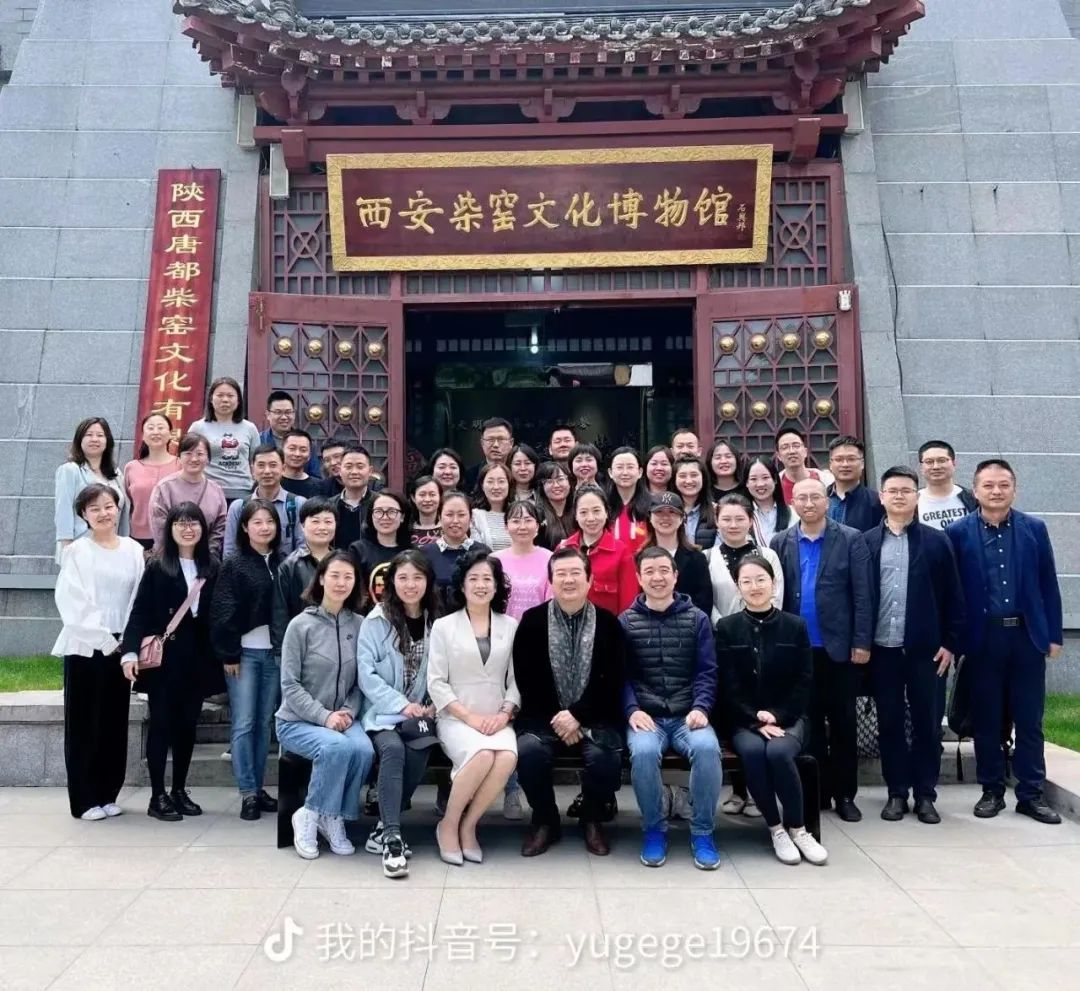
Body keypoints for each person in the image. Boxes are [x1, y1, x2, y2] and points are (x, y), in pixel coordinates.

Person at [946, 459, 1064, 824]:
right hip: (983, 639)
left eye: (1003, 485)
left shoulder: (1034, 529)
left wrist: (1054, 634)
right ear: (975, 490)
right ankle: (991, 791)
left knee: (1030, 720)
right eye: (988, 485)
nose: (996, 491)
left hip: (1027, 637)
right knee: (987, 719)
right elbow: (952, 592)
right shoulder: (957, 532)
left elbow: (1048, 583)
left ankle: (1031, 794)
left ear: (1014, 488)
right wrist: (955, 639)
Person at [770, 478, 873, 822]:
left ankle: (845, 795)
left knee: (843, 724)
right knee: (807, 725)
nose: (809, 503)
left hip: (839, 649)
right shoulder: (781, 541)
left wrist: (861, 642)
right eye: (802, 498)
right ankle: (816, 793)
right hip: (798, 651)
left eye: (815, 496)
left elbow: (863, 594)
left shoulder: (851, 538)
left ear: (827, 501)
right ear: (793, 503)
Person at [867, 467, 965, 825]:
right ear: (882, 497)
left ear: (916, 496)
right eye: (892, 490)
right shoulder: (866, 542)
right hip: (883, 651)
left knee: (927, 725)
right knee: (890, 723)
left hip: (928, 652)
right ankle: (896, 793)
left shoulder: (937, 542)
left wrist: (950, 643)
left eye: (906, 490)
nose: (899, 496)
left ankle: (925, 795)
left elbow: (954, 596)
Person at [514, 546, 626, 857]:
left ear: (590, 580)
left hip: (596, 715)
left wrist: (577, 715)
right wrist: (560, 716)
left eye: (576, 573)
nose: (568, 580)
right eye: (561, 574)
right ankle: (545, 819)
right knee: (529, 752)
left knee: (606, 755)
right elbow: (526, 678)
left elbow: (613, 680)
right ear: (550, 581)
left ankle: (592, 817)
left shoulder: (609, 623)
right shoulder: (532, 621)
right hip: (544, 715)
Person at [715, 554, 827, 866]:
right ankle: (776, 828)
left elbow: (803, 680)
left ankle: (799, 828)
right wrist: (755, 719)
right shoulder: (727, 628)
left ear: (773, 583)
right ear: (738, 587)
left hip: (789, 717)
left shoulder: (795, 626)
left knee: (778, 752)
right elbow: (728, 684)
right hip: (744, 720)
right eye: (746, 581)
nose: (754, 587)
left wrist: (778, 715)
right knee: (753, 752)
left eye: (760, 579)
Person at [621, 546, 722, 870]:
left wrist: (702, 707)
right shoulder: (626, 621)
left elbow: (707, 671)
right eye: (649, 571)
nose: (657, 577)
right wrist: (632, 709)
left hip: (686, 714)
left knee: (707, 749)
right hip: (646, 716)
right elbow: (621, 675)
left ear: (675, 576)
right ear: (639, 578)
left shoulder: (697, 619)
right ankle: (654, 828)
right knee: (643, 753)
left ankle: (703, 831)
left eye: (664, 570)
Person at [119, 503, 221, 821]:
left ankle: (178, 790)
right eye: (181, 523)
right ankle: (157, 795)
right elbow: (139, 611)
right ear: (170, 528)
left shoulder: (212, 566)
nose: (188, 529)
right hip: (164, 660)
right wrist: (130, 652)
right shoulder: (158, 565)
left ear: (203, 529)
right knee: (161, 725)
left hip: (197, 659)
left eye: (194, 523)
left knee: (187, 727)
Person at [51, 484, 145, 820]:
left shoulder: (133, 550)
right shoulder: (77, 551)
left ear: (118, 508)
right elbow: (71, 601)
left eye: (108, 506)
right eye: (94, 509)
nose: (104, 513)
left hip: (122, 647)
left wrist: (127, 643)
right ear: (83, 515)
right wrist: (106, 640)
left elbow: (138, 598)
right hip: (86, 646)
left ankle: (107, 793)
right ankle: (84, 799)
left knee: (113, 721)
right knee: (84, 723)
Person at [276, 552, 373, 860]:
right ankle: (309, 814)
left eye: (348, 576)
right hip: (297, 722)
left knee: (364, 750)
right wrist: (324, 716)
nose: (341, 582)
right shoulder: (300, 626)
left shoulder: (360, 625)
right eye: (335, 575)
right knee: (336, 747)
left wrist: (348, 712)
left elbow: (362, 681)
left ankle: (333, 816)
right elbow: (290, 684)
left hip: (343, 717)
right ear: (320, 579)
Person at [428, 548, 520, 865]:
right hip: (456, 717)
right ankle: (448, 825)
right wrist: (468, 717)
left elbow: (517, 680)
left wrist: (505, 713)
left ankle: (468, 826)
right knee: (481, 755)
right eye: (474, 578)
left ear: (496, 586)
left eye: (487, 579)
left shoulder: (510, 625)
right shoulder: (444, 626)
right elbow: (436, 682)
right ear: (462, 584)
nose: (481, 585)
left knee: (506, 756)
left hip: (497, 717)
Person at [356, 550, 441, 877]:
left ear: (428, 582)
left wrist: (432, 704)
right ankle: (392, 835)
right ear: (391, 582)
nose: (410, 584)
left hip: (422, 713)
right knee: (392, 749)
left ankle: (381, 827)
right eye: (403, 578)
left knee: (419, 749)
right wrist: (402, 706)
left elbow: (444, 670)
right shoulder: (375, 621)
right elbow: (366, 675)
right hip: (383, 713)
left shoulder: (438, 621)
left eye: (418, 577)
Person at [707, 493, 784, 818]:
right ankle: (739, 790)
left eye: (740, 518)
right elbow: (708, 600)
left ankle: (759, 792)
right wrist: (726, 627)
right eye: (726, 519)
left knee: (761, 711)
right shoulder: (709, 556)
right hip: (724, 641)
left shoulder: (767, 555)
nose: (733, 524)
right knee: (733, 712)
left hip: (763, 642)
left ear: (751, 520)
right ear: (717, 521)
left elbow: (776, 594)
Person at [210, 499, 283, 821]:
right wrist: (229, 653)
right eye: (257, 522)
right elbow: (222, 611)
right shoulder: (235, 564)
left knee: (264, 723)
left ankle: (258, 786)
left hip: (274, 654)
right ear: (244, 527)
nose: (264, 527)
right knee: (244, 722)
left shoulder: (283, 562)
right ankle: (247, 792)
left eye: (270, 521)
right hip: (244, 654)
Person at [54, 417, 130, 562]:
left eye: (100, 435)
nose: (94, 439)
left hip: (111, 547)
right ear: (79, 440)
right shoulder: (70, 470)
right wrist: (66, 549)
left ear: (107, 441)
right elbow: (63, 511)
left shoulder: (115, 474)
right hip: (81, 548)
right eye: (89, 435)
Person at [271, 497, 338, 658]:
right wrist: (282, 653)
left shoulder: (343, 562)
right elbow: (279, 613)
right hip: (303, 646)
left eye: (328, 522)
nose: (322, 527)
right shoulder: (290, 565)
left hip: (338, 643)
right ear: (302, 526)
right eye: (315, 521)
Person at [557, 484, 637, 616]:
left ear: (606, 512)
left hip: (607, 627)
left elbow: (628, 605)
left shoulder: (621, 552)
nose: (591, 518)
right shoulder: (563, 549)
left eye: (596, 511)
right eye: (583, 512)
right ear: (575, 515)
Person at [149, 432, 229, 557]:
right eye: (188, 453)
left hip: (205, 559)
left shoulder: (216, 491)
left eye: (200, 454)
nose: (194, 459)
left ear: (208, 458)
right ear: (179, 457)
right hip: (170, 558)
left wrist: (207, 554)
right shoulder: (164, 488)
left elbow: (219, 528)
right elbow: (159, 529)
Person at [222, 444, 306, 558]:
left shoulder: (297, 504)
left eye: (273, 465)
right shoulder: (238, 507)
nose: (267, 471)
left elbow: (304, 549)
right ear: (252, 470)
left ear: (283, 469)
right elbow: (230, 552)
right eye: (261, 465)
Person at [188, 377, 262, 502]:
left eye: (230, 396)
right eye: (220, 395)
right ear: (211, 399)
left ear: (238, 400)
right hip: (207, 492)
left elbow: (256, 461)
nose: (225, 400)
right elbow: (188, 459)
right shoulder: (198, 427)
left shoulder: (250, 428)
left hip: (243, 492)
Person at [643, 492, 712, 617]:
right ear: (650, 517)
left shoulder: (697, 558)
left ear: (681, 519)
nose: (665, 517)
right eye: (659, 512)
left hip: (689, 625)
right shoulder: (639, 557)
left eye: (672, 512)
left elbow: (704, 602)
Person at [123, 412, 180, 552]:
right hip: (138, 537)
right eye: (150, 428)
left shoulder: (180, 465)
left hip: (174, 536)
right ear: (143, 435)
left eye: (161, 427)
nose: (156, 432)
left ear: (170, 434)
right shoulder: (131, 467)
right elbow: (127, 504)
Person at [421, 491, 489, 604]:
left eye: (461, 515)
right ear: (439, 517)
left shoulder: (483, 553)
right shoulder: (426, 553)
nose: (455, 521)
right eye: (449, 515)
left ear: (471, 518)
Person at [350, 490, 412, 605]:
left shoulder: (412, 552)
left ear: (402, 516)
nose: (385, 517)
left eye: (392, 512)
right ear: (371, 516)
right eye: (378, 512)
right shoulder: (358, 550)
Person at [494, 500, 552, 621]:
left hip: (539, 626)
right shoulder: (494, 560)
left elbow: (552, 603)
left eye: (528, 520)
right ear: (506, 526)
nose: (522, 527)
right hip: (502, 627)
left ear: (537, 526)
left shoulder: (550, 559)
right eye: (516, 521)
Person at [917, 440, 978, 531]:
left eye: (942, 460)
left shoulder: (973, 498)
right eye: (929, 462)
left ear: (954, 463)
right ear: (921, 467)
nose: (936, 467)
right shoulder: (912, 501)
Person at [826, 436, 883, 532]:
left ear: (862, 463)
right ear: (830, 464)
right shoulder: (819, 497)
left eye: (851, 459)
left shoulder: (876, 501)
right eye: (839, 459)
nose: (845, 464)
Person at [260, 390, 321, 477]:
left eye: (288, 412)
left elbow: (315, 477)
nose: (284, 417)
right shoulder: (259, 440)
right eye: (278, 412)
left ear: (294, 414)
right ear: (268, 415)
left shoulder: (305, 443)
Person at [330, 442, 375, 548]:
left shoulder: (380, 504)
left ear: (370, 471)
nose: (354, 472)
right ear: (340, 471)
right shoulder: (329, 505)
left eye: (360, 467)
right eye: (348, 467)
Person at [775, 427, 833, 505]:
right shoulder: (774, 487)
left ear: (805, 451)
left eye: (796, 446)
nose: (791, 451)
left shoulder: (828, 481)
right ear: (778, 456)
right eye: (785, 447)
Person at [608, 447, 650, 554]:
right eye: (619, 467)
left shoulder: (652, 505)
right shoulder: (602, 506)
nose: (625, 472)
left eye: (630, 467)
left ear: (640, 472)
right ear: (610, 472)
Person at [746, 455, 792, 547]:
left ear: (775, 479)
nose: (760, 484)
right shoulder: (742, 515)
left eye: (765, 477)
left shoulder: (792, 513)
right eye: (753, 479)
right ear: (746, 483)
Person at [674, 455, 716, 550]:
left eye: (694, 475)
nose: (688, 481)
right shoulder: (667, 511)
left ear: (703, 478)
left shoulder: (715, 511)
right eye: (682, 476)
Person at [463, 417, 514, 493]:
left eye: (501, 439)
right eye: (490, 440)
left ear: (511, 443)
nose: (495, 445)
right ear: (482, 443)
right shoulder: (469, 476)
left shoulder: (519, 473)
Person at [470, 462, 512, 552]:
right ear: (482, 486)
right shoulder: (474, 516)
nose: (496, 487)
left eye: (501, 481)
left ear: (509, 484)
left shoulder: (517, 514)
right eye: (490, 482)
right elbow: (477, 553)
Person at [534, 461, 575, 550]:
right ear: (542, 487)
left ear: (569, 482)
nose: (556, 485)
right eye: (549, 481)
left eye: (560, 479)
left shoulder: (578, 512)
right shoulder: (537, 516)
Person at [280, 429, 325, 498]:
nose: (297, 454)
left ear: (309, 455)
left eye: (303, 450)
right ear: (282, 451)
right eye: (292, 448)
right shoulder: (273, 482)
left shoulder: (319, 486)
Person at [409, 475, 443, 546]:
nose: (427, 499)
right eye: (422, 495)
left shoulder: (449, 527)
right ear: (413, 498)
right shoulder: (405, 529)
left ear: (440, 496)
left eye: (432, 494)